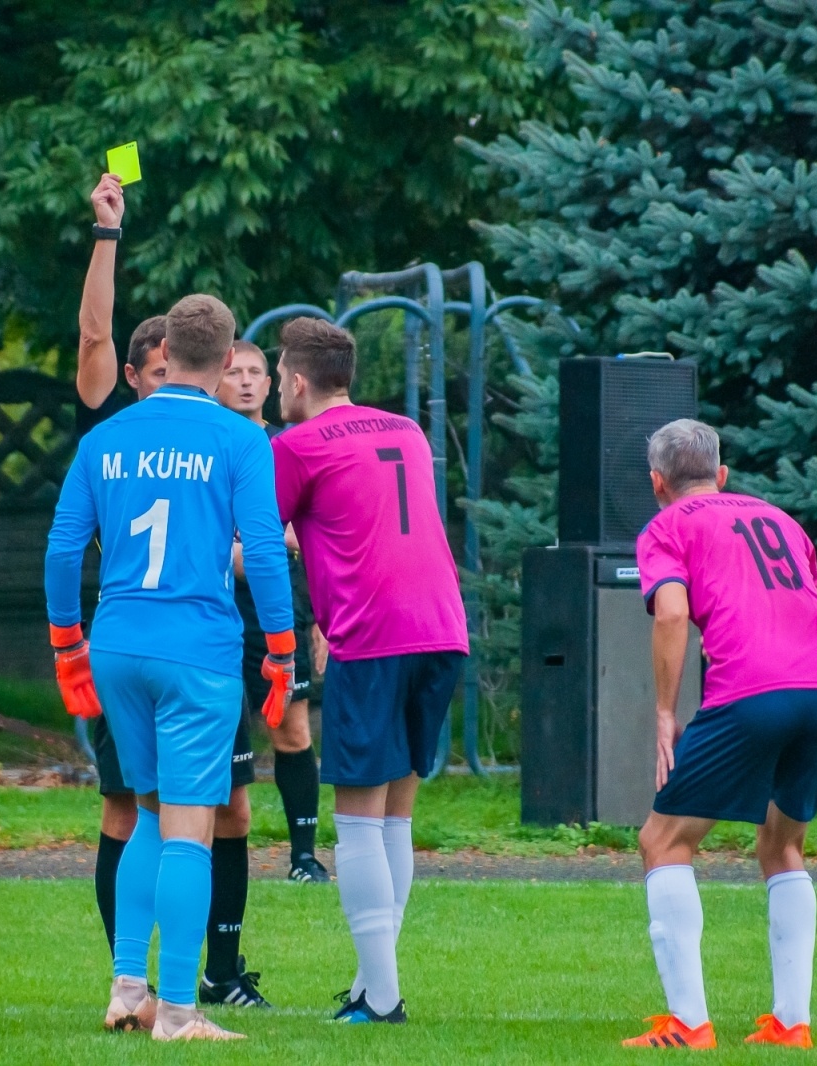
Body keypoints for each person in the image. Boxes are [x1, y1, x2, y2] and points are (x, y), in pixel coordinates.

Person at [47, 294, 297, 1041]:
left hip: (117, 644)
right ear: (225, 364)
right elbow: (265, 550)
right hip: (198, 652)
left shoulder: (106, 438)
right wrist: (281, 651)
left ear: (166, 355)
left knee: (151, 813)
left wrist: (67, 645)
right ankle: (181, 1012)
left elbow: (63, 550)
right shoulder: (239, 441)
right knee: (194, 827)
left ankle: (129, 988)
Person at [69, 175, 272, 1009]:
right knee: (136, 814)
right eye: (146, 372)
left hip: (166, 638)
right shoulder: (114, 426)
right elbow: (91, 333)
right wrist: (107, 234)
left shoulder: (216, 433)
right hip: (164, 640)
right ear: (132, 375)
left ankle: (192, 979)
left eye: (169, 368)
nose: (163, 382)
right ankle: (150, 984)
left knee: (211, 813)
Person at [624, 419, 817, 1050]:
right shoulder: (782, 520)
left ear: (657, 483)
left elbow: (672, 612)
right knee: (782, 846)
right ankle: (790, 1024)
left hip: (756, 691)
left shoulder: (666, 525)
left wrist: (665, 712)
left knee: (663, 841)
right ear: (722, 475)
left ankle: (689, 1025)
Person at [270, 317, 469, 1024]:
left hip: (375, 633)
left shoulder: (294, 444)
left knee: (356, 820)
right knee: (395, 817)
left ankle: (382, 1000)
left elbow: (267, 537)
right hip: (442, 626)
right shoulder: (405, 431)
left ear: (296, 380)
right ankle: (369, 983)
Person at [215, 340, 330, 886]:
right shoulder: (205, 448)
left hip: (277, 614)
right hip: (213, 616)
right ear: (213, 378)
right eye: (232, 371)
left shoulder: (288, 450)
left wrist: (320, 620)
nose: (243, 381)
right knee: (219, 731)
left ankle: (304, 856)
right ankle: (213, 844)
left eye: (255, 372)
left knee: (291, 729)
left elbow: (311, 541)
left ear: (270, 384)